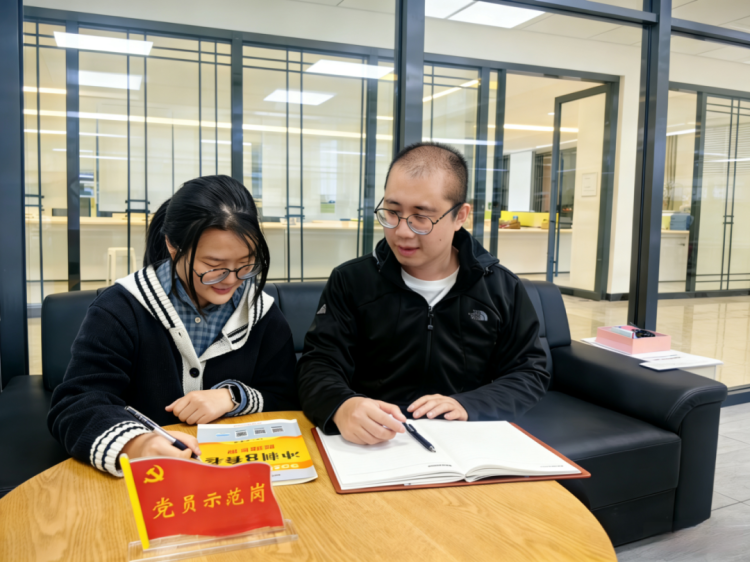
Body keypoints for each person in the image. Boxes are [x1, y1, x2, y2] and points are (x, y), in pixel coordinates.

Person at [296, 142, 549, 445]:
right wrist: (342, 405)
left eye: (422, 217)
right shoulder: (351, 281)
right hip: (376, 441)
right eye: (392, 212)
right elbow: (319, 364)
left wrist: (470, 404)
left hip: (465, 440)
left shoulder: (500, 288)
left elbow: (529, 371)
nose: (402, 231)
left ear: (460, 216)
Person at [48, 175, 298, 476]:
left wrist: (233, 397)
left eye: (246, 263)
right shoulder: (121, 309)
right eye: (214, 266)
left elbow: (286, 394)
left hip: (235, 475)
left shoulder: (262, 312)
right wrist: (138, 444)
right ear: (172, 245)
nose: (232, 280)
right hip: (146, 478)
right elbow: (77, 405)